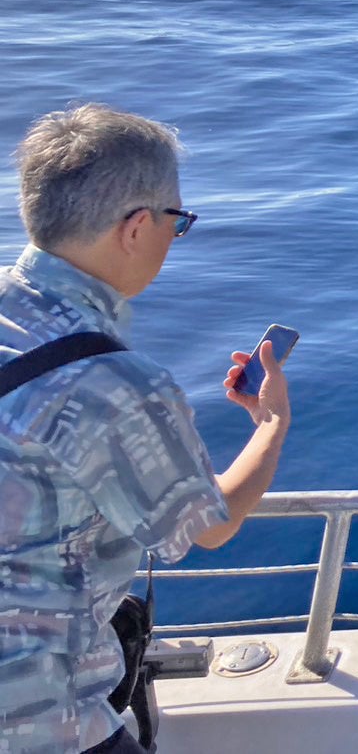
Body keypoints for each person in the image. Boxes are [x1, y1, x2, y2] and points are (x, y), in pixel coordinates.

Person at [0, 104, 293, 754]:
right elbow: (207, 522)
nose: (174, 236)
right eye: (177, 222)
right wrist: (270, 424)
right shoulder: (116, 385)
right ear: (136, 227)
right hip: (37, 719)